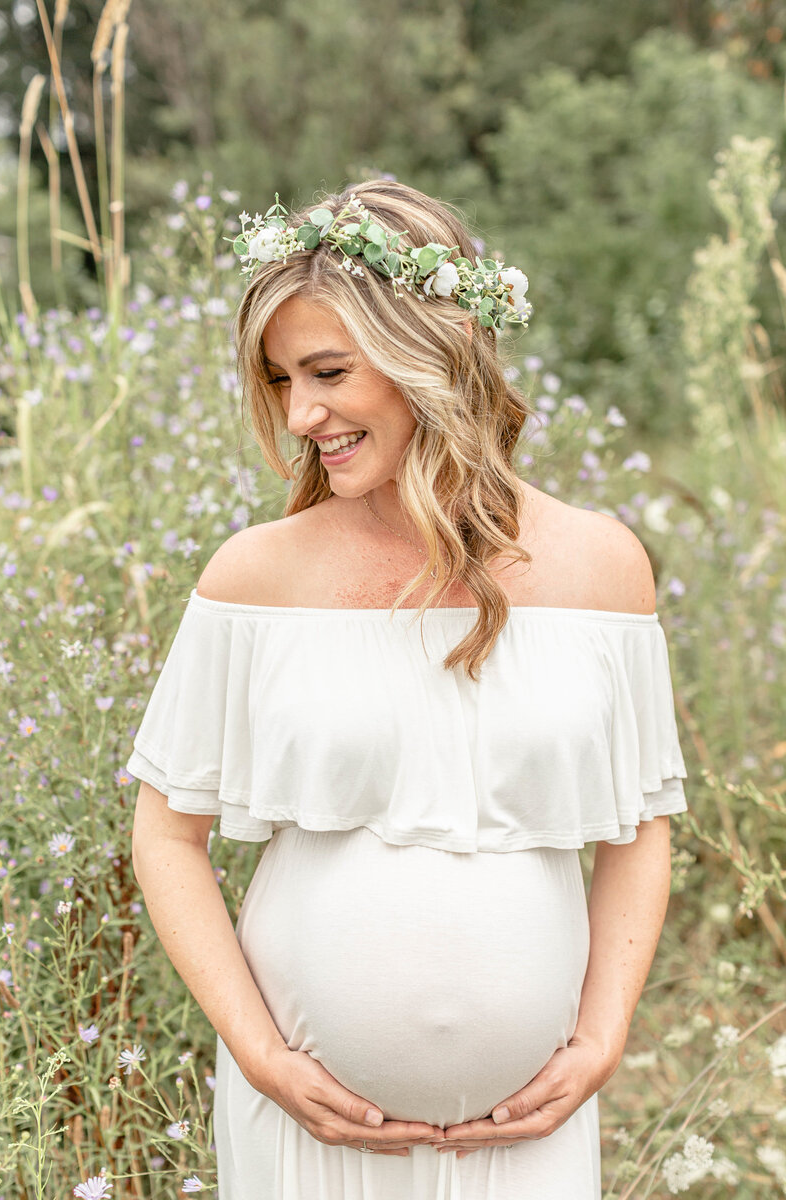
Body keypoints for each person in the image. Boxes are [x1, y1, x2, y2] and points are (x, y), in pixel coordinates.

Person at [127, 178, 689, 1200]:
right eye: (280, 380)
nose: (301, 415)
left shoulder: (605, 571)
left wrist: (600, 1040)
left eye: (327, 371)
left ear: (431, 353)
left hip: (533, 1134)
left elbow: (639, 827)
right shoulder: (254, 578)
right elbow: (166, 835)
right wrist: (259, 1055)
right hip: (306, 1137)